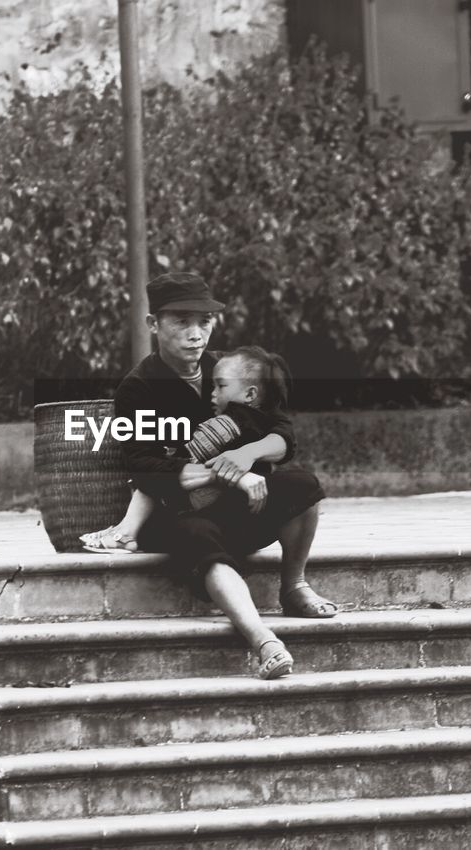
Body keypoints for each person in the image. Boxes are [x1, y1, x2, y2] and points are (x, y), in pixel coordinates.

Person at [87, 272, 338, 680]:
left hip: (242, 507)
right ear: (154, 325)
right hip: (181, 515)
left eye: (204, 322)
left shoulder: (228, 368)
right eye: (181, 322)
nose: (195, 333)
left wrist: (247, 453)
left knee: (304, 485)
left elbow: (283, 433)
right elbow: (145, 467)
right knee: (196, 533)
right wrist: (227, 475)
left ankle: (294, 587)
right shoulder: (139, 389)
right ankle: (263, 641)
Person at [80, 344, 295, 548]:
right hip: (241, 499)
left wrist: (245, 456)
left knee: (155, 480)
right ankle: (125, 530)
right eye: (182, 321)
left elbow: (189, 455)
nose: (214, 392)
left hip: (204, 500)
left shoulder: (226, 422)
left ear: (250, 394)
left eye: (220, 386)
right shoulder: (257, 413)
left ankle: (126, 531)